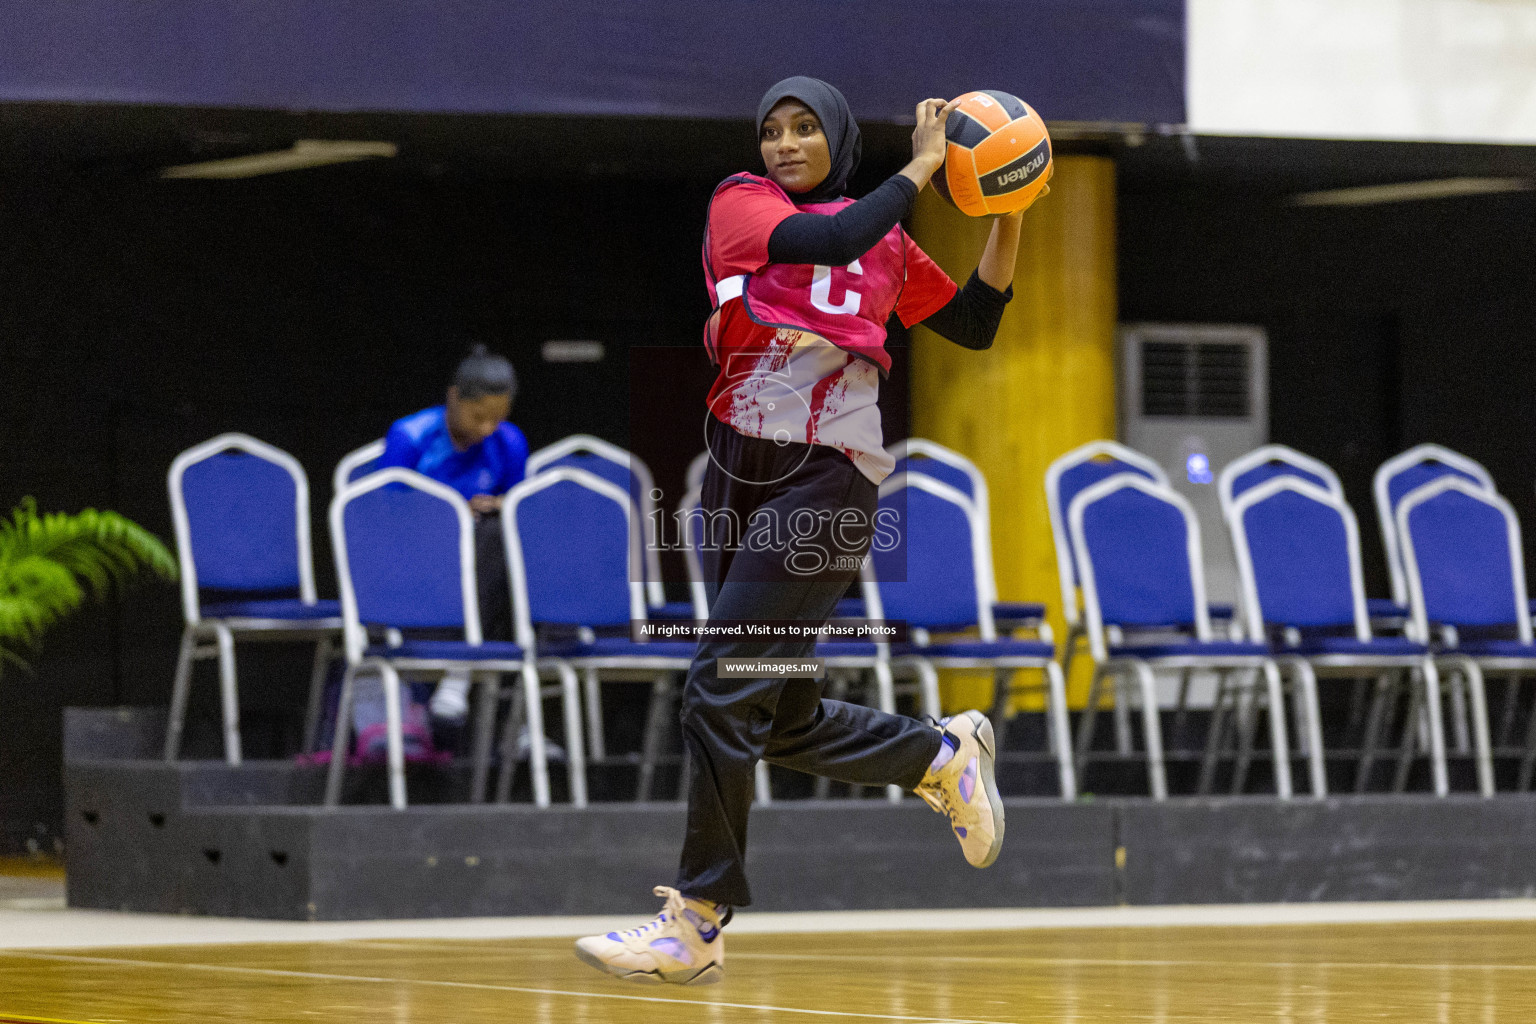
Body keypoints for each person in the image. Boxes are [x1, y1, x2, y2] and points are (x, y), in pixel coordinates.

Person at [574, 77, 1045, 986]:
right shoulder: (740, 205)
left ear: (835, 138)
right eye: (773, 130)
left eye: (803, 129)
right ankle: (939, 757)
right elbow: (831, 236)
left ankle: (697, 920)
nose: (785, 143)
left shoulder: (894, 245)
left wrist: (1010, 206)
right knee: (773, 714)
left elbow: (978, 324)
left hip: (829, 480)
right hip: (738, 480)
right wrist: (923, 166)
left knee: (716, 690)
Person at [376, 344, 529, 721]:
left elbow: (518, 505)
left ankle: (507, 708)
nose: (487, 429)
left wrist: (500, 505)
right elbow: (383, 517)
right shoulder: (410, 436)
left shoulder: (508, 442)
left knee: (505, 534)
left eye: (497, 418)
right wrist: (455, 511)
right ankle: (461, 664)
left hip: (485, 566)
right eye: (478, 417)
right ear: (453, 397)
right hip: (415, 560)